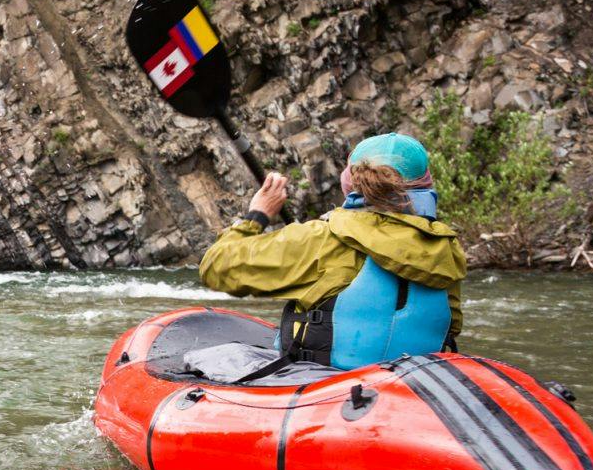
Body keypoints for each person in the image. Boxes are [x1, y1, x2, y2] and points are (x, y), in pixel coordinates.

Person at [198, 133, 466, 370]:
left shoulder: (323, 239)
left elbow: (216, 265)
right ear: (425, 187)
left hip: (327, 398)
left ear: (350, 184)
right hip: (410, 397)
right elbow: (449, 329)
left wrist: (258, 214)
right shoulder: (446, 252)